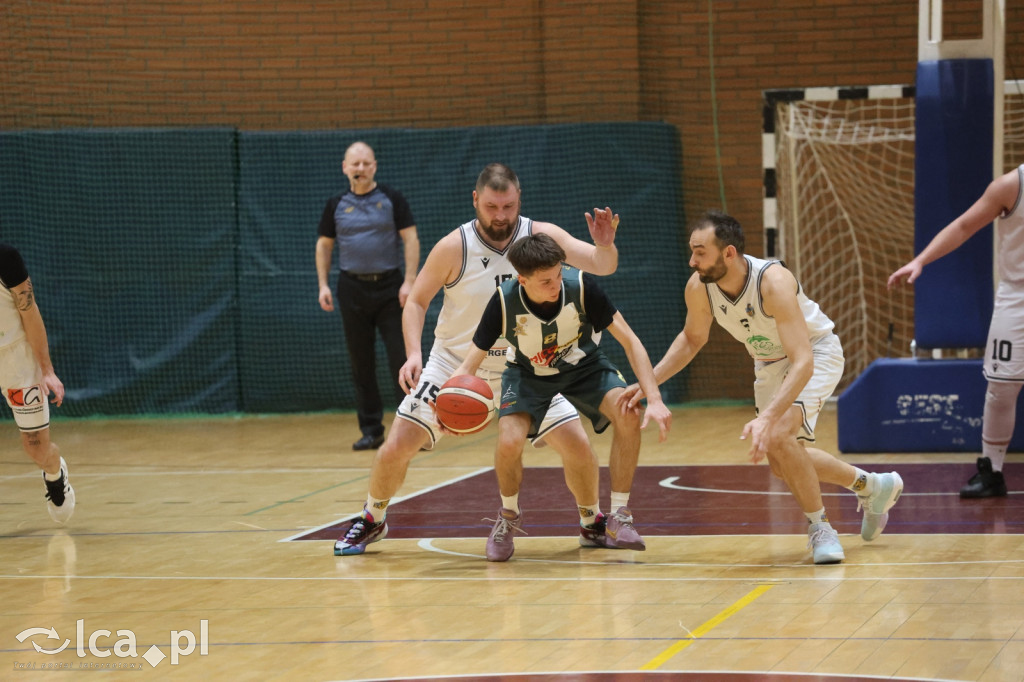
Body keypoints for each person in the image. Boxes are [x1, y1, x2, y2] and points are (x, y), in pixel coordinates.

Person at [333, 162, 639, 556]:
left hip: (530, 366)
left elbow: (602, 265)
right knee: (398, 443)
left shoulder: (541, 236)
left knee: (577, 445)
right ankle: (372, 518)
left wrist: (605, 244)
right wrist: (413, 353)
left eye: (508, 207)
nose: (501, 216)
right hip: (457, 364)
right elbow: (416, 301)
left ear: (519, 200)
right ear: (476, 200)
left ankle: (591, 522)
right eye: (493, 207)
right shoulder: (454, 246)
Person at [619, 210, 904, 564]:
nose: (692, 261)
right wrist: (649, 384)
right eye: (691, 251)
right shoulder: (699, 288)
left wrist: (768, 418)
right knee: (783, 463)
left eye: (700, 252)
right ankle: (873, 486)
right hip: (769, 364)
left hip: (814, 353)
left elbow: (803, 362)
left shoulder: (773, 281)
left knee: (781, 434)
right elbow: (692, 340)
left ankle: (821, 528)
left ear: (729, 254)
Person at [449, 233, 671, 561]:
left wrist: (654, 397)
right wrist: (448, 400)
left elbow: (630, 340)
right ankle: (508, 516)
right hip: (527, 375)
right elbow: (469, 365)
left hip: (584, 366)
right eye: (545, 282)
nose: (555, 285)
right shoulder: (503, 301)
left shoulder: (582, 288)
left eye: (557, 275)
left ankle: (619, 517)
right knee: (509, 440)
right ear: (522, 280)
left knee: (628, 412)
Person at [888, 166, 1024, 498]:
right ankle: (991, 471)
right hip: (1018, 297)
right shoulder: (1010, 185)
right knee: (1001, 388)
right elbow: (964, 226)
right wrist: (921, 260)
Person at [316, 141, 420, 451]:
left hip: (391, 289)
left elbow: (410, 238)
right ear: (345, 167)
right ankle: (371, 430)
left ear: (374, 166)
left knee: (402, 360)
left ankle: (414, 427)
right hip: (352, 290)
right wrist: (323, 284)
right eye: (355, 164)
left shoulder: (391, 199)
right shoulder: (336, 204)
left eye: (365, 163)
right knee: (360, 363)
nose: (360, 169)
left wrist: (410, 281)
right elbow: (324, 245)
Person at [1, 241, 74, 524]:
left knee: (36, 448)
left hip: (16, 358)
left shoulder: (6, 259)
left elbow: (29, 313)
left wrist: (47, 370)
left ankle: (55, 475)